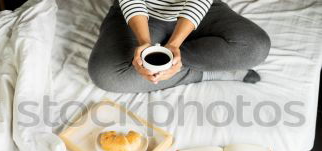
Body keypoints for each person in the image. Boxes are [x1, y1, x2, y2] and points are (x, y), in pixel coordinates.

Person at [88, 0, 271, 93]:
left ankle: (171, 61)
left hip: (200, 9)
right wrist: (145, 43)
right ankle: (210, 71)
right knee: (106, 75)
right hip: (141, 13)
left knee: (256, 46)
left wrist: (173, 45)